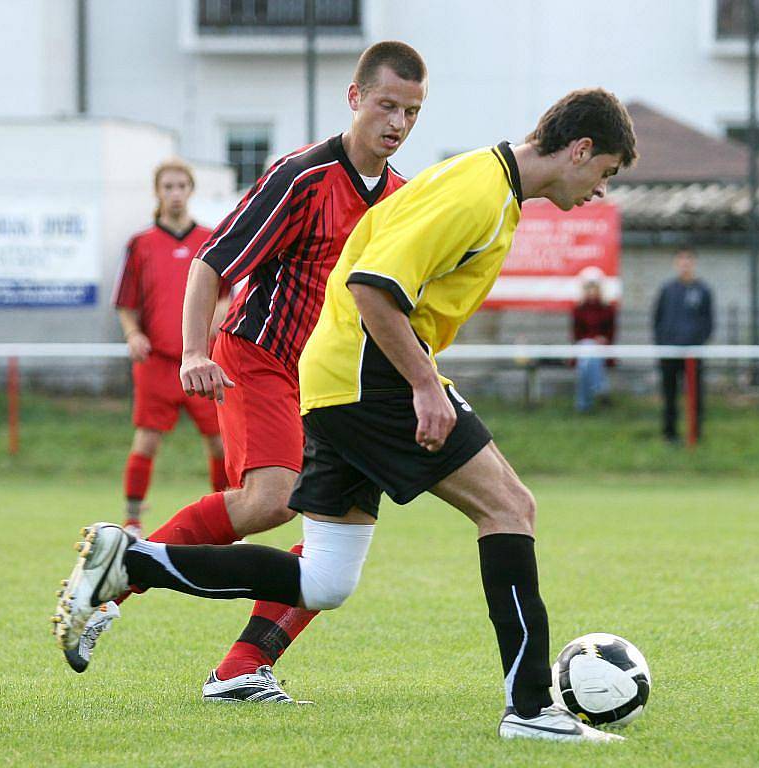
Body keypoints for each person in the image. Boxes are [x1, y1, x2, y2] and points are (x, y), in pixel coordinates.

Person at [53, 87, 637, 742]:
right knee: (509, 508)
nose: (600, 192)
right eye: (606, 173)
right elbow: (372, 286)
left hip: (337, 378)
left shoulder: (483, 184)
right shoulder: (478, 189)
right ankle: (531, 710)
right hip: (371, 378)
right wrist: (423, 385)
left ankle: (135, 564)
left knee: (324, 579)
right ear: (580, 149)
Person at [59, 41, 428, 692]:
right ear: (354, 98)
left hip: (336, 386)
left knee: (338, 538)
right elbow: (212, 259)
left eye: (412, 112)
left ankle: (241, 667)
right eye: (387, 106)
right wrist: (195, 350)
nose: (397, 124)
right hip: (261, 359)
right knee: (272, 501)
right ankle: (122, 576)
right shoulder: (302, 176)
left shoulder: (400, 199)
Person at [113, 159, 230, 539]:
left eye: (182, 186)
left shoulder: (211, 240)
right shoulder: (141, 244)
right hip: (159, 362)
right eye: (168, 186)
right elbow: (126, 303)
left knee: (220, 442)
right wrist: (133, 334)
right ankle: (132, 520)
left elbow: (228, 294)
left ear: (191, 190)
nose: (175, 193)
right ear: (157, 192)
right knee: (146, 439)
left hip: (203, 361)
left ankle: (226, 520)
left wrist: (218, 321)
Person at [652, 249, 714, 442]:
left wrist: (698, 342)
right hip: (669, 352)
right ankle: (669, 434)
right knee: (669, 395)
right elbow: (657, 319)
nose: (685, 264)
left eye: (688, 260)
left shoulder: (703, 290)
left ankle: (695, 434)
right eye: (681, 260)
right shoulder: (667, 289)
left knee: (695, 395)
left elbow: (709, 321)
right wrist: (662, 344)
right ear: (676, 263)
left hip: (693, 353)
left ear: (693, 262)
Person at [571, 271, 616, 412]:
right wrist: (591, 340)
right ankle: (599, 387)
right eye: (589, 288)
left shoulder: (608, 310)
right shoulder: (578, 310)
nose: (592, 291)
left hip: (602, 349)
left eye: (594, 288)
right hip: (584, 346)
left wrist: (602, 339)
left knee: (586, 363)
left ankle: (583, 404)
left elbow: (611, 333)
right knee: (588, 352)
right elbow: (577, 335)